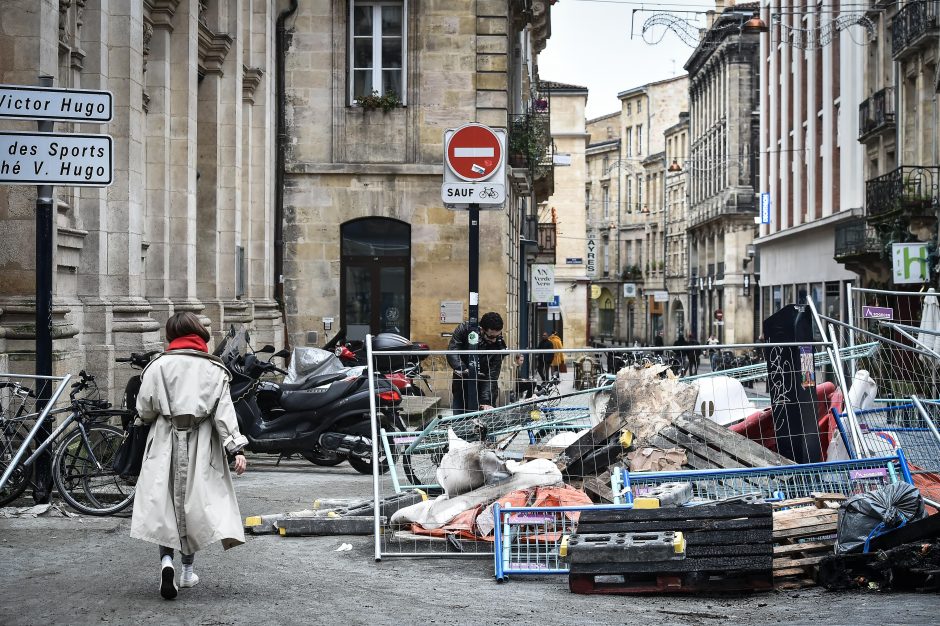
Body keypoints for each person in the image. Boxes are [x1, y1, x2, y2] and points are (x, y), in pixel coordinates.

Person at [130, 312, 249, 600]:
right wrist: (236, 448)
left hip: (164, 442)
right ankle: (186, 573)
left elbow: (145, 410)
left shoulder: (157, 366)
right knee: (193, 507)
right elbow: (224, 412)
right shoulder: (215, 369)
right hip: (201, 443)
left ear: (171, 334)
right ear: (199, 333)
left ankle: (166, 562)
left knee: (166, 507)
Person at [447, 311, 507, 414]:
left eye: (498, 335)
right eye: (491, 336)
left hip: (484, 382)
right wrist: (463, 369)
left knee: (484, 421)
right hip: (462, 381)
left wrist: (486, 401)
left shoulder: (498, 344)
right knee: (460, 418)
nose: (494, 340)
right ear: (481, 329)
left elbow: (492, 375)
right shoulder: (465, 328)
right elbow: (453, 351)